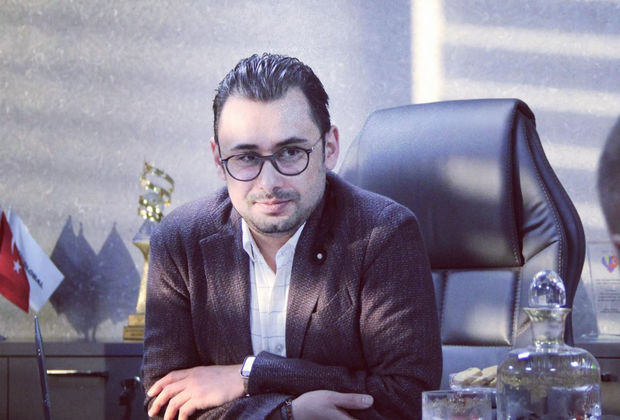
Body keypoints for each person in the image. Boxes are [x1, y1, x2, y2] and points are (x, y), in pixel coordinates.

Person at [141, 53, 441, 420]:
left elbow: (408, 398)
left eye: (291, 152)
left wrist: (252, 374)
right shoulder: (180, 240)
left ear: (329, 148)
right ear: (219, 160)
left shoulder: (383, 233)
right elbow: (166, 405)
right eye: (246, 157)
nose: (269, 183)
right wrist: (286, 413)